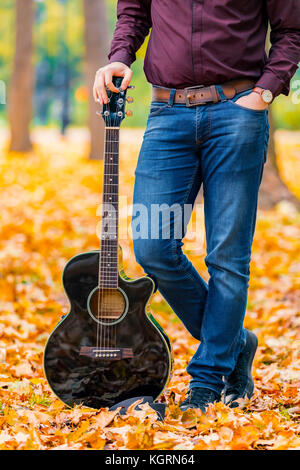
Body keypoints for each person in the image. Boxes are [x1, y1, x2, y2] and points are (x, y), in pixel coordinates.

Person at [93, 1, 300, 412]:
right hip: (167, 113)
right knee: (152, 245)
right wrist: (118, 58)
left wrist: (265, 91)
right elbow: (134, 14)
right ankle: (236, 343)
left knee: (226, 256)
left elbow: (292, 31)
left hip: (237, 113)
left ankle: (206, 382)